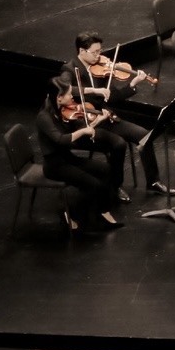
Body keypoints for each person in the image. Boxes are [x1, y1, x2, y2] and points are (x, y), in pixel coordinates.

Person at [62, 31, 173, 199]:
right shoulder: (69, 69)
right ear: (82, 51)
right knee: (118, 144)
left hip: (105, 117)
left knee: (144, 135)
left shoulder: (100, 67)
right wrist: (93, 90)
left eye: (100, 51)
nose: (99, 56)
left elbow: (114, 97)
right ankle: (115, 185)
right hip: (85, 121)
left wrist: (133, 84)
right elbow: (64, 89)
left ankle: (153, 181)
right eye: (95, 52)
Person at [36, 76, 124, 233]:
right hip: (54, 165)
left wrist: (96, 121)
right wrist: (83, 131)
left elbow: (82, 128)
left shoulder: (61, 111)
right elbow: (61, 139)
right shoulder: (44, 117)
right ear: (59, 97)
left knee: (105, 169)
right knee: (93, 184)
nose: (72, 97)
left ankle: (101, 212)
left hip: (67, 158)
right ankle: (69, 214)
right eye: (69, 94)